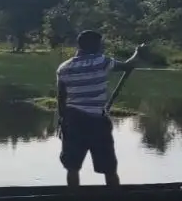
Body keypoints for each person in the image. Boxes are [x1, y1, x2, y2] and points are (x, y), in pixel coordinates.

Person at [56, 30, 140, 186]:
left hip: (73, 121)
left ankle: (73, 199)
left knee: (72, 167)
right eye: (100, 44)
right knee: (109, 168)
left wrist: (62, 122)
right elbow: (129, 65)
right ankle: (114, 200)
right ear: (93, 45)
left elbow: (61, 99)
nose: (102, 47)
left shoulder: (63, 68)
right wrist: (137, 53)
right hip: (97, 123)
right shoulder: (102, 62)